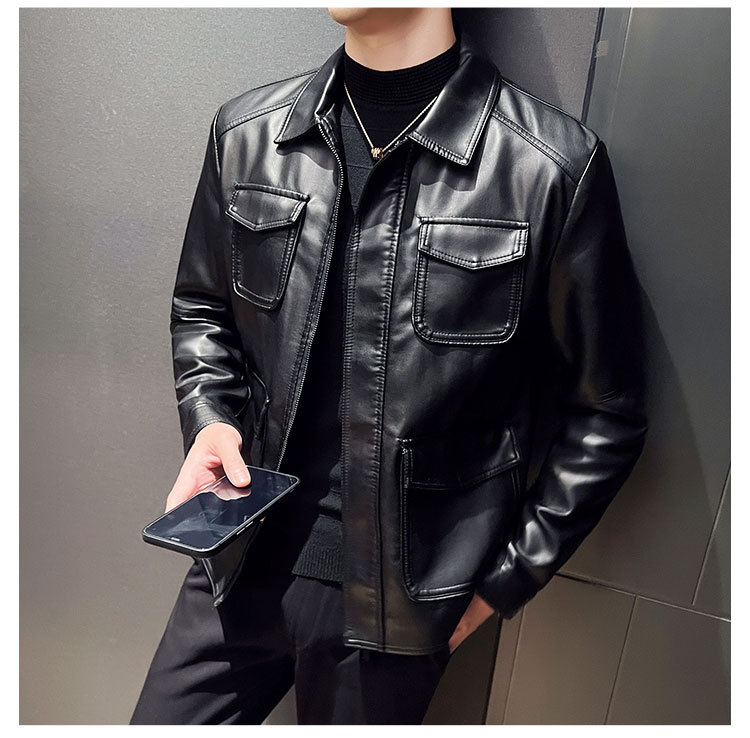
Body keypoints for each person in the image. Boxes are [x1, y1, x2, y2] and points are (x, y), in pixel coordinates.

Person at [130, 6, 648, 725]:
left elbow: (608, 414)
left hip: (398, 610)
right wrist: (210, 420)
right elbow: (203, 307)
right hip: (238, 559)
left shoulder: (548, 166)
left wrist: (503, 583)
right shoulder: (249, 135)